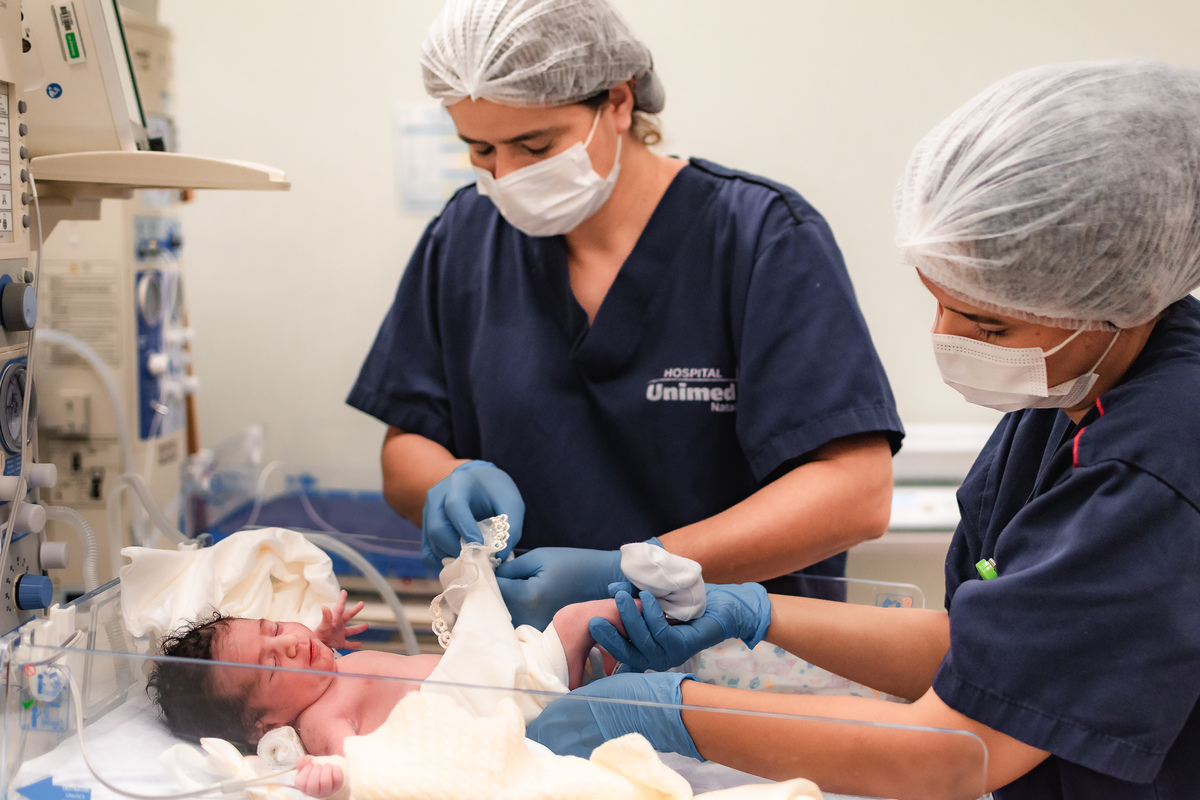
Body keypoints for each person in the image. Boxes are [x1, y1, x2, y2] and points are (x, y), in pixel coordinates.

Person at [525, 59, 1200, 799]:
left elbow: (958, 752)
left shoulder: (1156, 463)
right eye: (937, 302)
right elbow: (992, 655)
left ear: (1121, 296)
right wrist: (752, 612)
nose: (947, 337)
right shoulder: (1075, 391)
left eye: (988, 322)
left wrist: (671, 715)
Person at [346, 0, 904, 630]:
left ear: (617, 101)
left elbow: (856, 492)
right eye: (479, 149)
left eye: (534, 145)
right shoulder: (466, 238)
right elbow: (406, 446)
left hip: (736, 669)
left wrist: (636, 568)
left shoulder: (759, 238)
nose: (505, 175)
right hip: (537, 658)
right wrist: (448, 480)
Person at [147, 589, 648, 797]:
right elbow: (370, 767)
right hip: (499, 699)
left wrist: (327, 641)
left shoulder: (315, 678)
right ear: (265, 727)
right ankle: (682, 614)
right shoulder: (320, 722)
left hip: (494, 675)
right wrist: (333, 779)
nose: (291, 643)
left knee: (589, 647)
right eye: (273, 663)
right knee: (575, 622)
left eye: (275, 626)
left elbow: (308, 657)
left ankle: (663, 634)